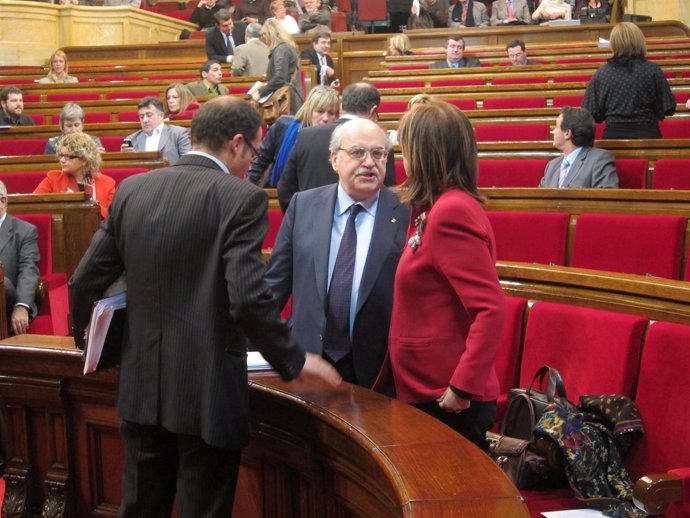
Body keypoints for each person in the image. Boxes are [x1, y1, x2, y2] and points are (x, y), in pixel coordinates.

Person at [69, 96, 340, 518]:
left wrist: (93, 348)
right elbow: (248, 297)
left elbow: (84, 280)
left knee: (139, 508)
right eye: (253, 151)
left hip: (140, 384)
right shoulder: (240, 197)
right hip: (207, 391)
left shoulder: (134, 189)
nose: (251, 161)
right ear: (236, 143)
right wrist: (293, 359)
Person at [384, 100, 506, 451]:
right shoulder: (435, 205)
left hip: (446, 397)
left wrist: (462, 387)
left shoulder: (450, 211)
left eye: (406, 148)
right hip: (426, 387)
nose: (401, 159)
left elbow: (491, 308)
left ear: (423, 154)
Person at [265, 118, 410, 388]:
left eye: (379, 154)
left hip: (378, 373)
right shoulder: (303, 205)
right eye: (357, 153)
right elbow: (274, 288)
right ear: (334, 159)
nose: (369, 162)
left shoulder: (405, 212)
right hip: (307, 365)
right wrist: (278, 352)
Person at [278, 82, 397, 212]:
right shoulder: (380, 141)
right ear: (373, 111)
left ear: (341, 107)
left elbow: (285, 189)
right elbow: (388, 194)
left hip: (311, 222)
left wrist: (301, 221)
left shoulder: (306, 136)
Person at [583, 22, 676, 139]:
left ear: (614, 44)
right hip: (648, 137)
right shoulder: (652, 70)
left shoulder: (601, 74)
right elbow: (668, 107)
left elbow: (591, 113)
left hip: (613, 140)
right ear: (640, 41)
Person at [247, 85, 339, 186]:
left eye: (331, 113)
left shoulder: (338, 138)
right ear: (309, 110)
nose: (325, 118)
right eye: (320, 111)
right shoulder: (283, 126)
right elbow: (260, 162)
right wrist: (248, 190)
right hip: (277, 193)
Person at [34, 133, 116, 219]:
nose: (62, 160)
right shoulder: (53, 179)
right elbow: (34, 206)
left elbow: (113, 218)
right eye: (61, 155)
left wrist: (88, 203)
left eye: (68, 157)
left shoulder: (107, 184)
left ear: (84, 159)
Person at [539, 106, 619, 188]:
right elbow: (539, 199)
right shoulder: (552, 165)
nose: (553, 131)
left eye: (556, 127)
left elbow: (606, 197)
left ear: (567, 133)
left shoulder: (600, 160)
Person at [0, 181, 39, 336]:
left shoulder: (24, 231)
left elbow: (28, 270)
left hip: (6, 300)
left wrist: (21, 305)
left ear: (2, 201)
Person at [252, 19, 303, 115]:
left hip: (286, 99)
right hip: (291, 96)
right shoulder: (286, 47)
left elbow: (280, 77)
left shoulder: (281, 49)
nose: (264, 39)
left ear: (272, 34)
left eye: (265, 34)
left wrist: (261, 92)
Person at [122, 96, 191, 166]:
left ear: (161, 116)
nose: (145, 120)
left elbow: (188, 164)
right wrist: (126, 157)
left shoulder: (179, 134)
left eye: (149, 115)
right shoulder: (132, 139)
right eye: (141, 116)